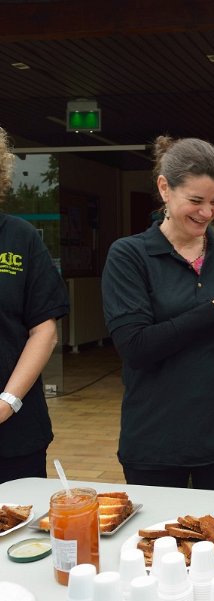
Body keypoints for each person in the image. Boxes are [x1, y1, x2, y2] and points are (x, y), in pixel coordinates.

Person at [102, 135, 214, 490]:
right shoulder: (129, 256)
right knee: (156, 543)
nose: (207, 212)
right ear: (165, 188)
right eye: (195, 200)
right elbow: (136, 346)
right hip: (155, 442)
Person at [0, 127, 69, 484]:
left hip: (15, 433)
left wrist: (7, 402)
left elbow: (43, 330)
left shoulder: (19, 237)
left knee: (18, 534)